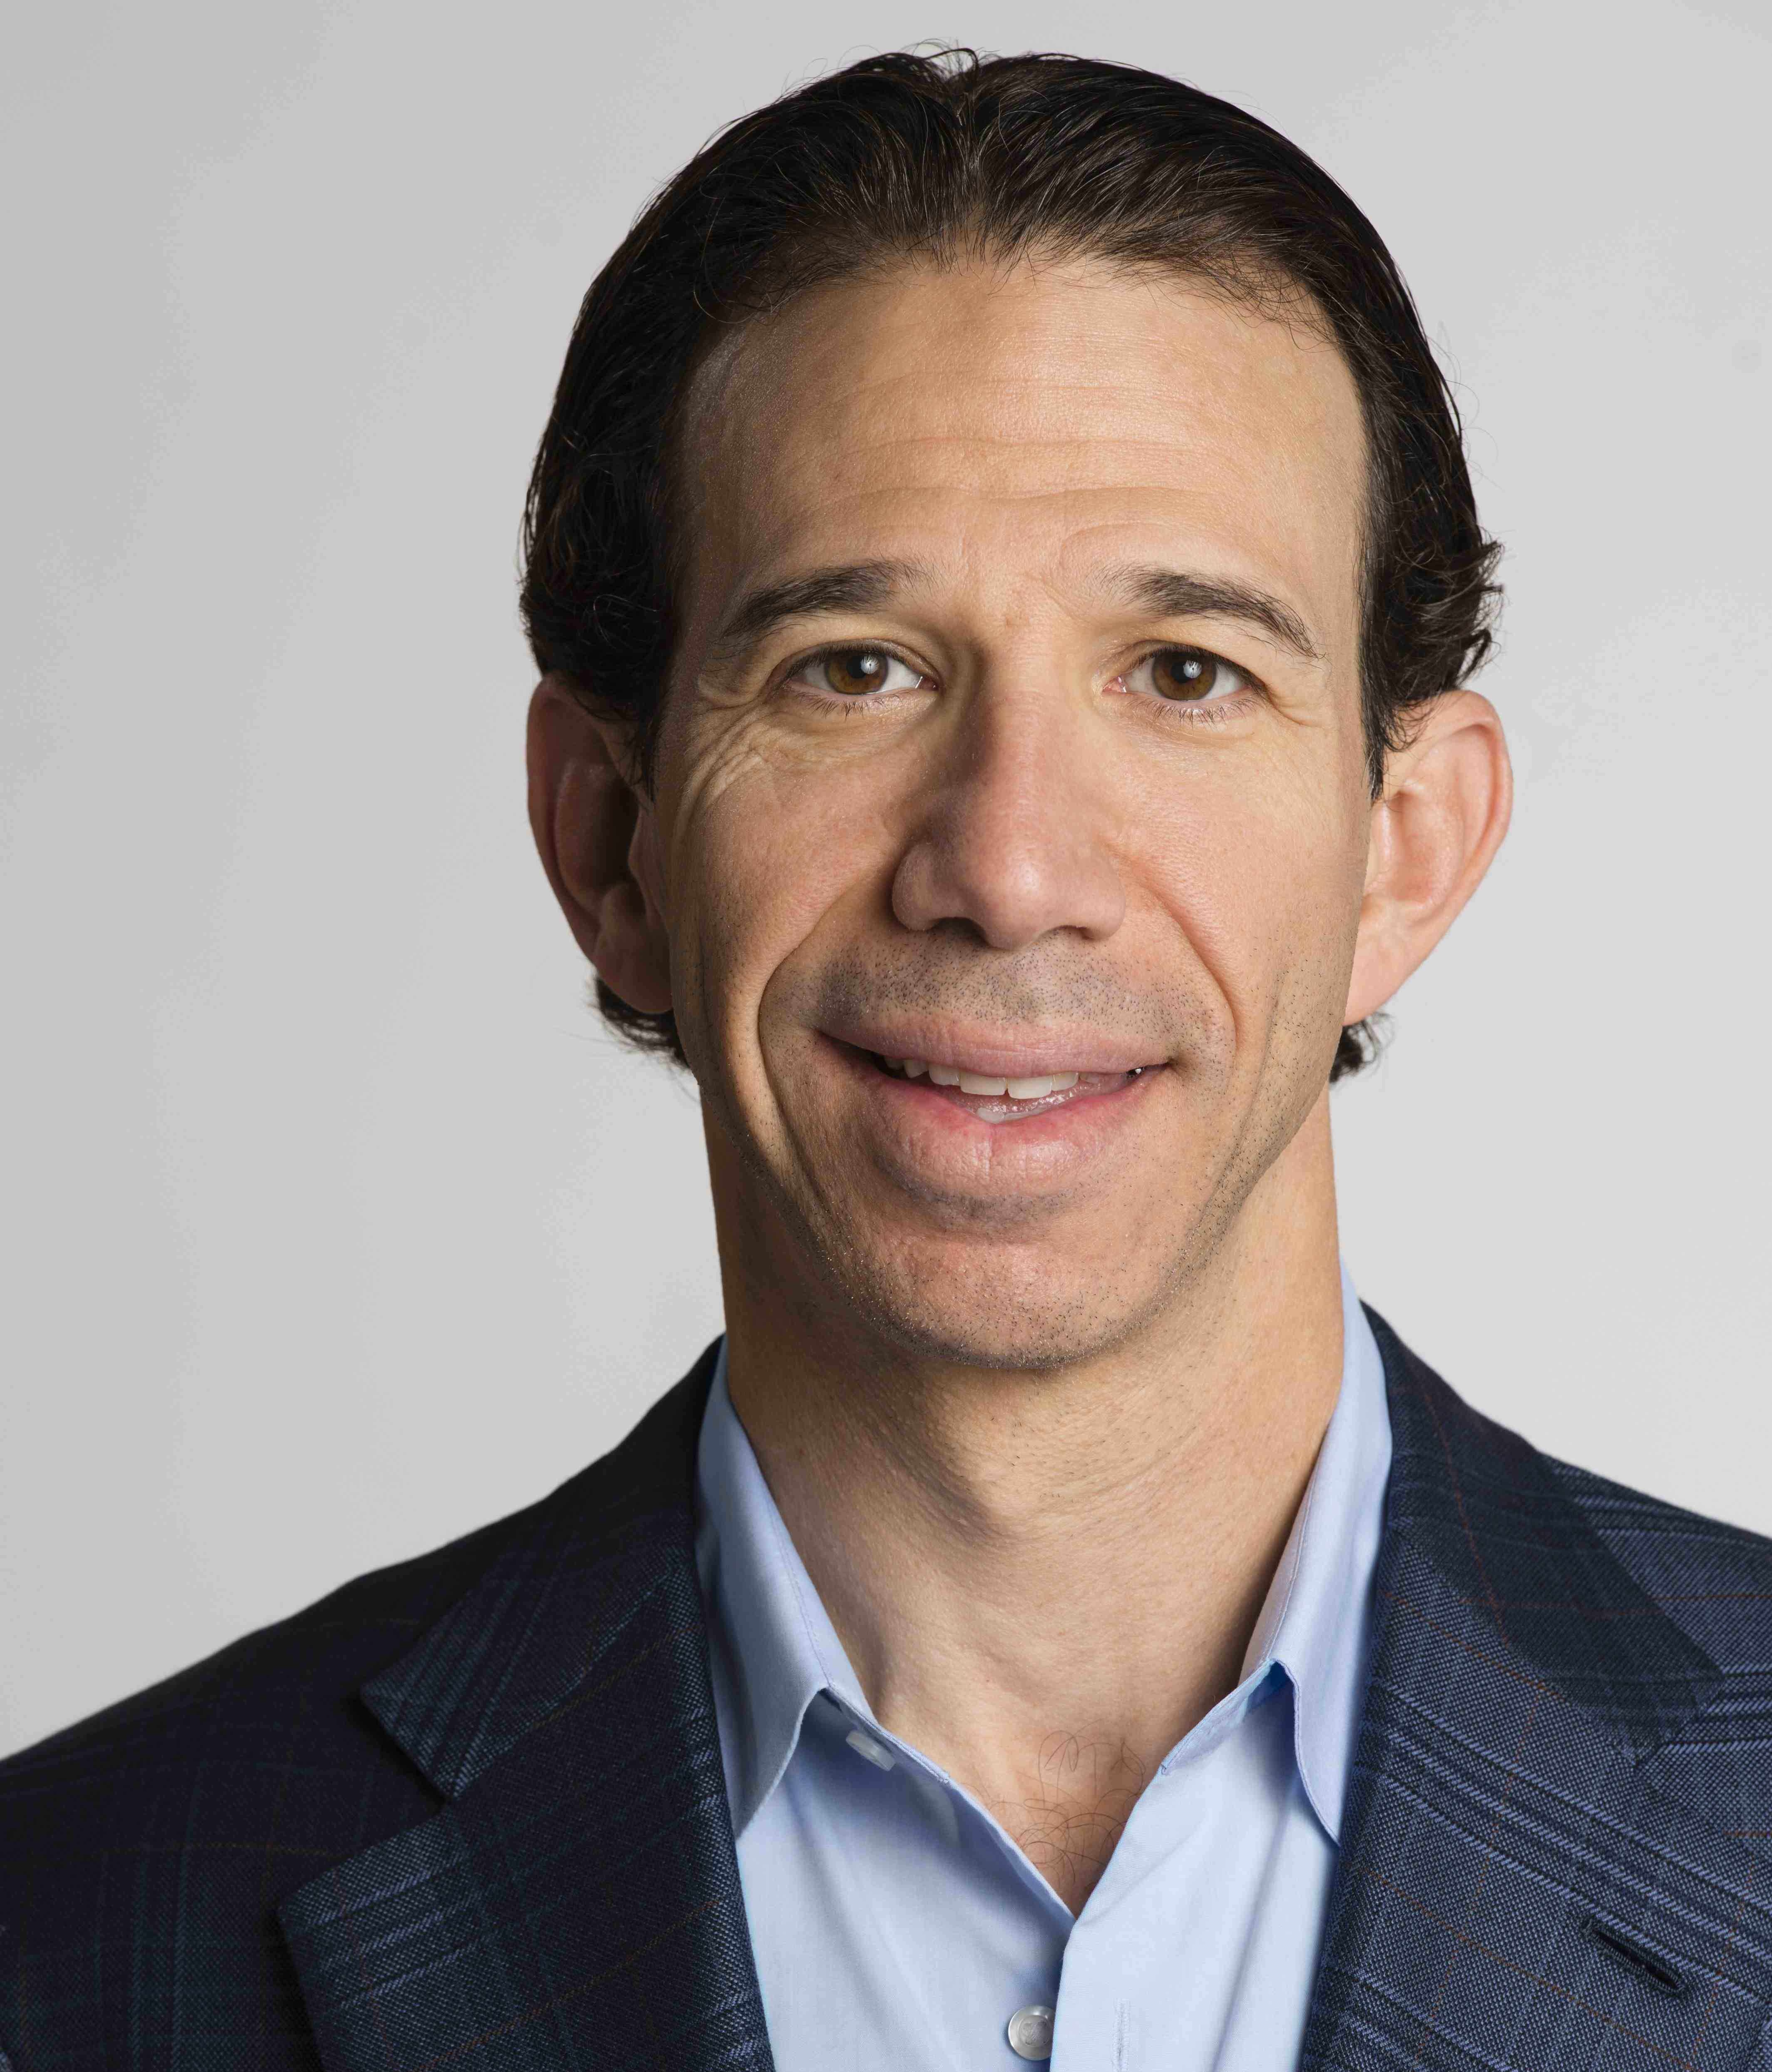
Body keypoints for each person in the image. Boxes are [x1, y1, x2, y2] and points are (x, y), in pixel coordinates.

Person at [4, 47, 1770, 2072]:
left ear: (1407, 846)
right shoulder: (74, 1939)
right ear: (612, 839)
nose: (1008, 870)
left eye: (1184, 673)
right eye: (855, 670)